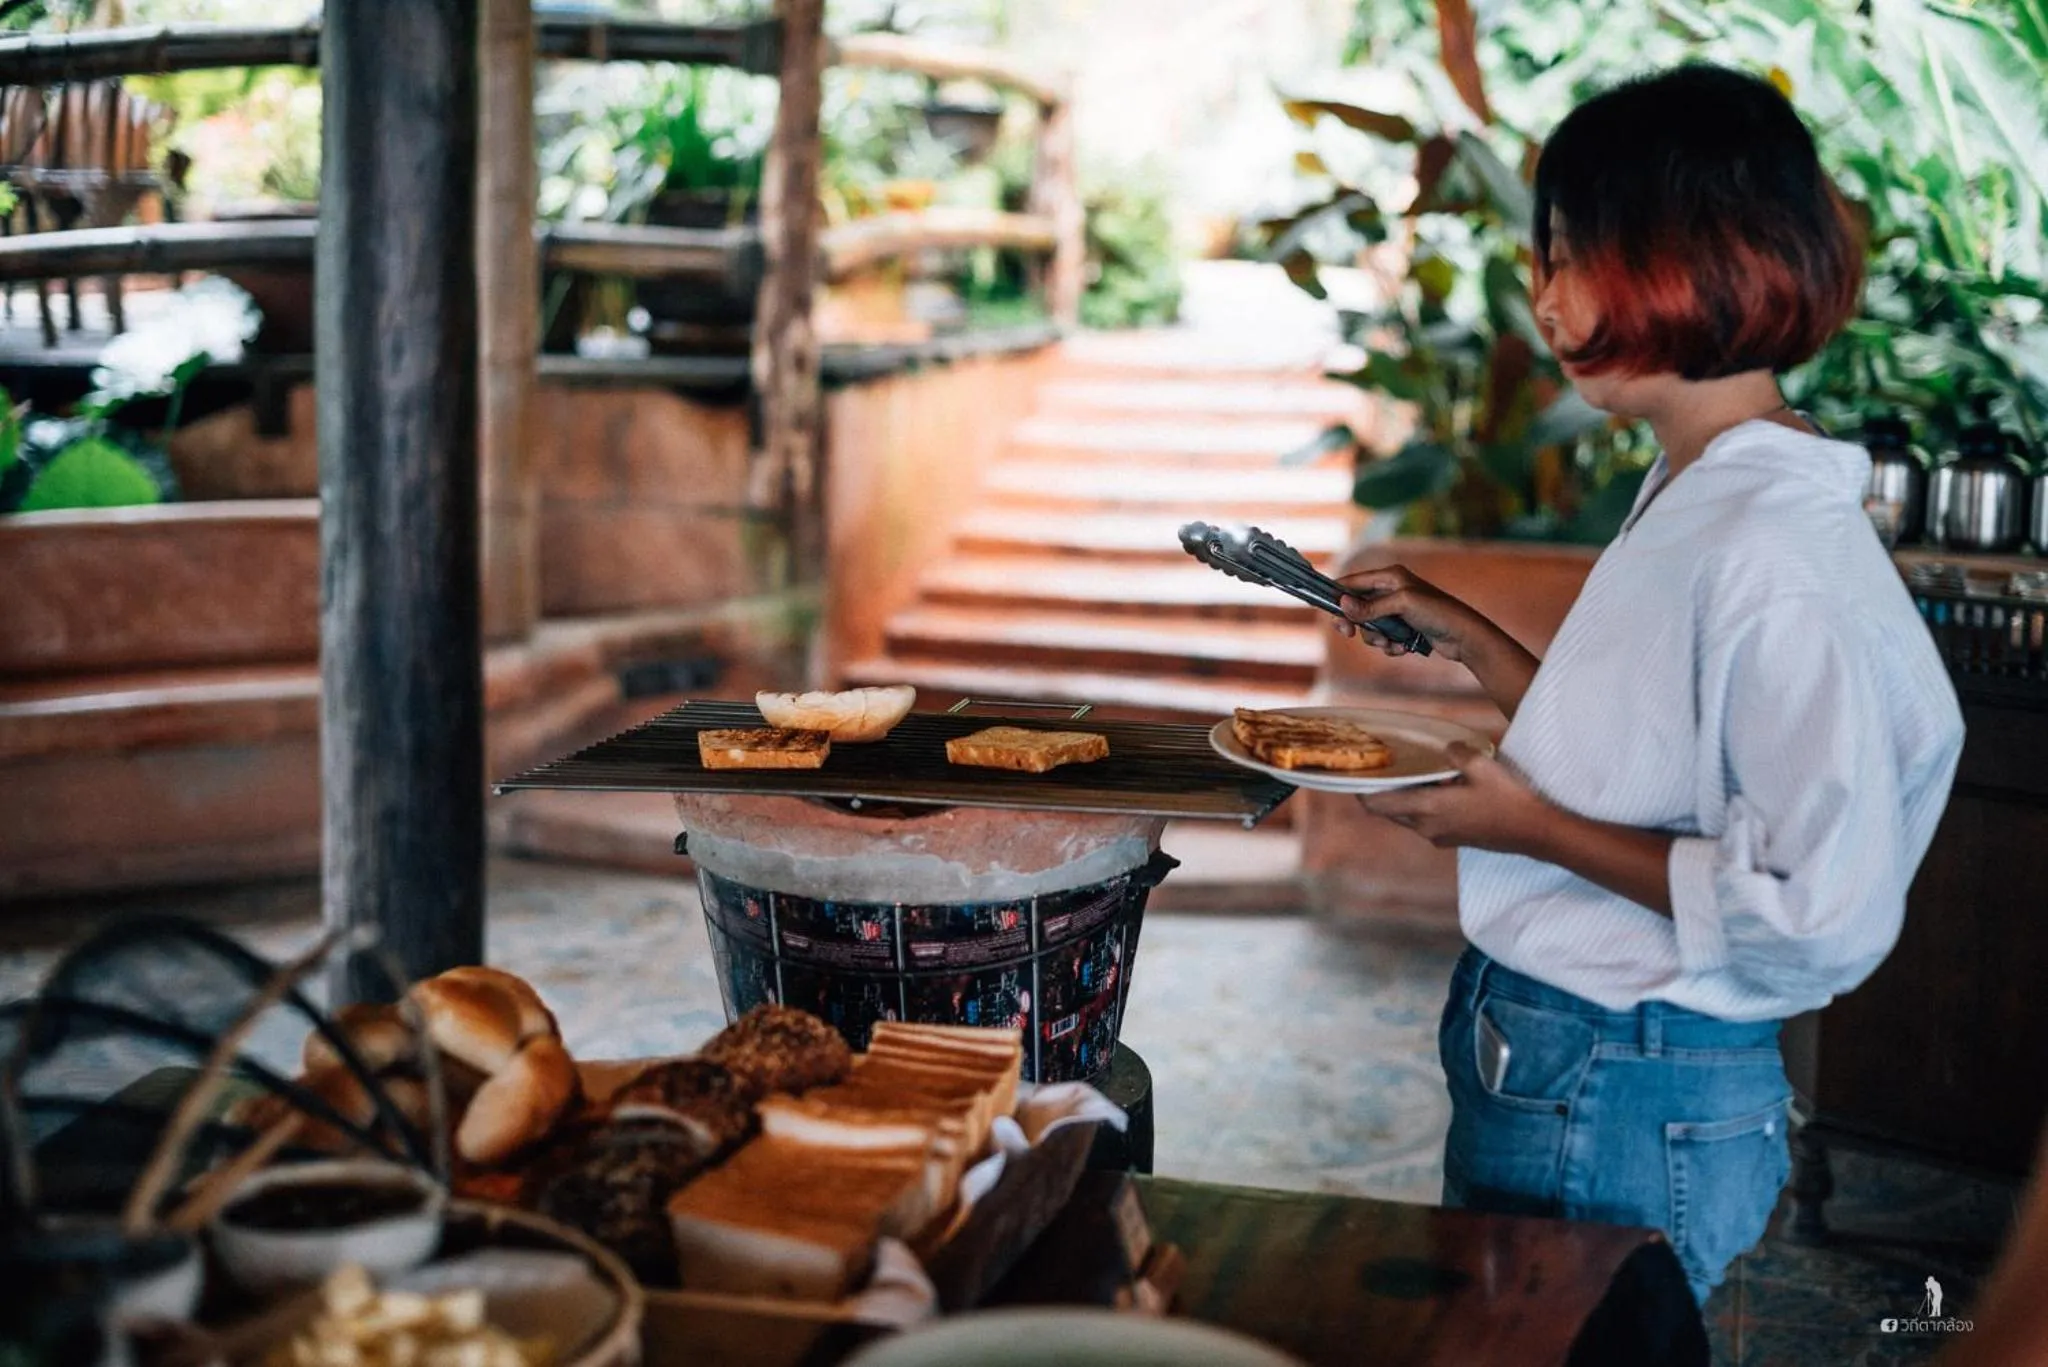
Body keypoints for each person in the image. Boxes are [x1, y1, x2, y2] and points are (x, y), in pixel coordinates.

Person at [1337, 64, 1965, 1305]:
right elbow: (1639, 750)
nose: (1543, 291)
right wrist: (1466, 636)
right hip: (1575, 1049)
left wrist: (1524, 826)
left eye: (1572, 251)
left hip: (1626, 1075)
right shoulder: (1705, 485)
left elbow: (1807, 910)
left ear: (1688, 259)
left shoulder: (1770, 550)